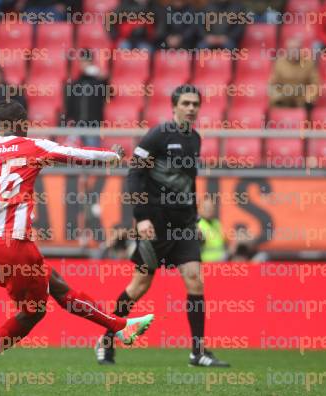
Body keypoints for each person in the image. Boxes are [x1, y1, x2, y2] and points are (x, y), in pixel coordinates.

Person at [0, 100, 154, 383]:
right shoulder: (32, 146)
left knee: (57, 285)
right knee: (33, 312)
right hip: (14, 245)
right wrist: (110, 156)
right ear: (21, 123)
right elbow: (71, 153)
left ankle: (118, 326)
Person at [95, 85, 230, 367]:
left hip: (184, 225)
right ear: (174, 106)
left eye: (196, 103)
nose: (192, 108)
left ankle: (198, 352)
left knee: (195, 279)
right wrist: (141, 216)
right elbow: (135, 174)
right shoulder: (158, 135)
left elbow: (188, 182)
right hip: (155, 224)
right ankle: (106, 338)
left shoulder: (195, 138)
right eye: (186, 103)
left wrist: (194, 216)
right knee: (139, 285)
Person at [63, 50, 108, 146]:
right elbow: (70, 104)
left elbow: (109, 95)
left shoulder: (98, 82)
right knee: (71, 152)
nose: (84, 64)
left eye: (87, 62)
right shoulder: (76, 83)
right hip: (77, 124)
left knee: (93, 154)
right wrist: (68, 119)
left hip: (92, 125)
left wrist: (104, 80)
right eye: (82, 62)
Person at [269, 37, 319, 109]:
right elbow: (272, 84)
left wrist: (309, 98)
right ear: (287, 50)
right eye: (291, 49)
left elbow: (315, 84)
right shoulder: (279, 63)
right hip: (283, 100)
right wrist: (277, 97)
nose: (294, 51)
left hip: (302, 101)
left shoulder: (308, 63)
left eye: (297, 49)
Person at [197, 197, 227, 262]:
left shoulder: (217, 223)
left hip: (220, 263)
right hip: (206, 263)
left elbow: (223, 241)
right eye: (205, 208)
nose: (208, 210)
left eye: (210, 208)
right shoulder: (197, 225)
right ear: (199, 209)